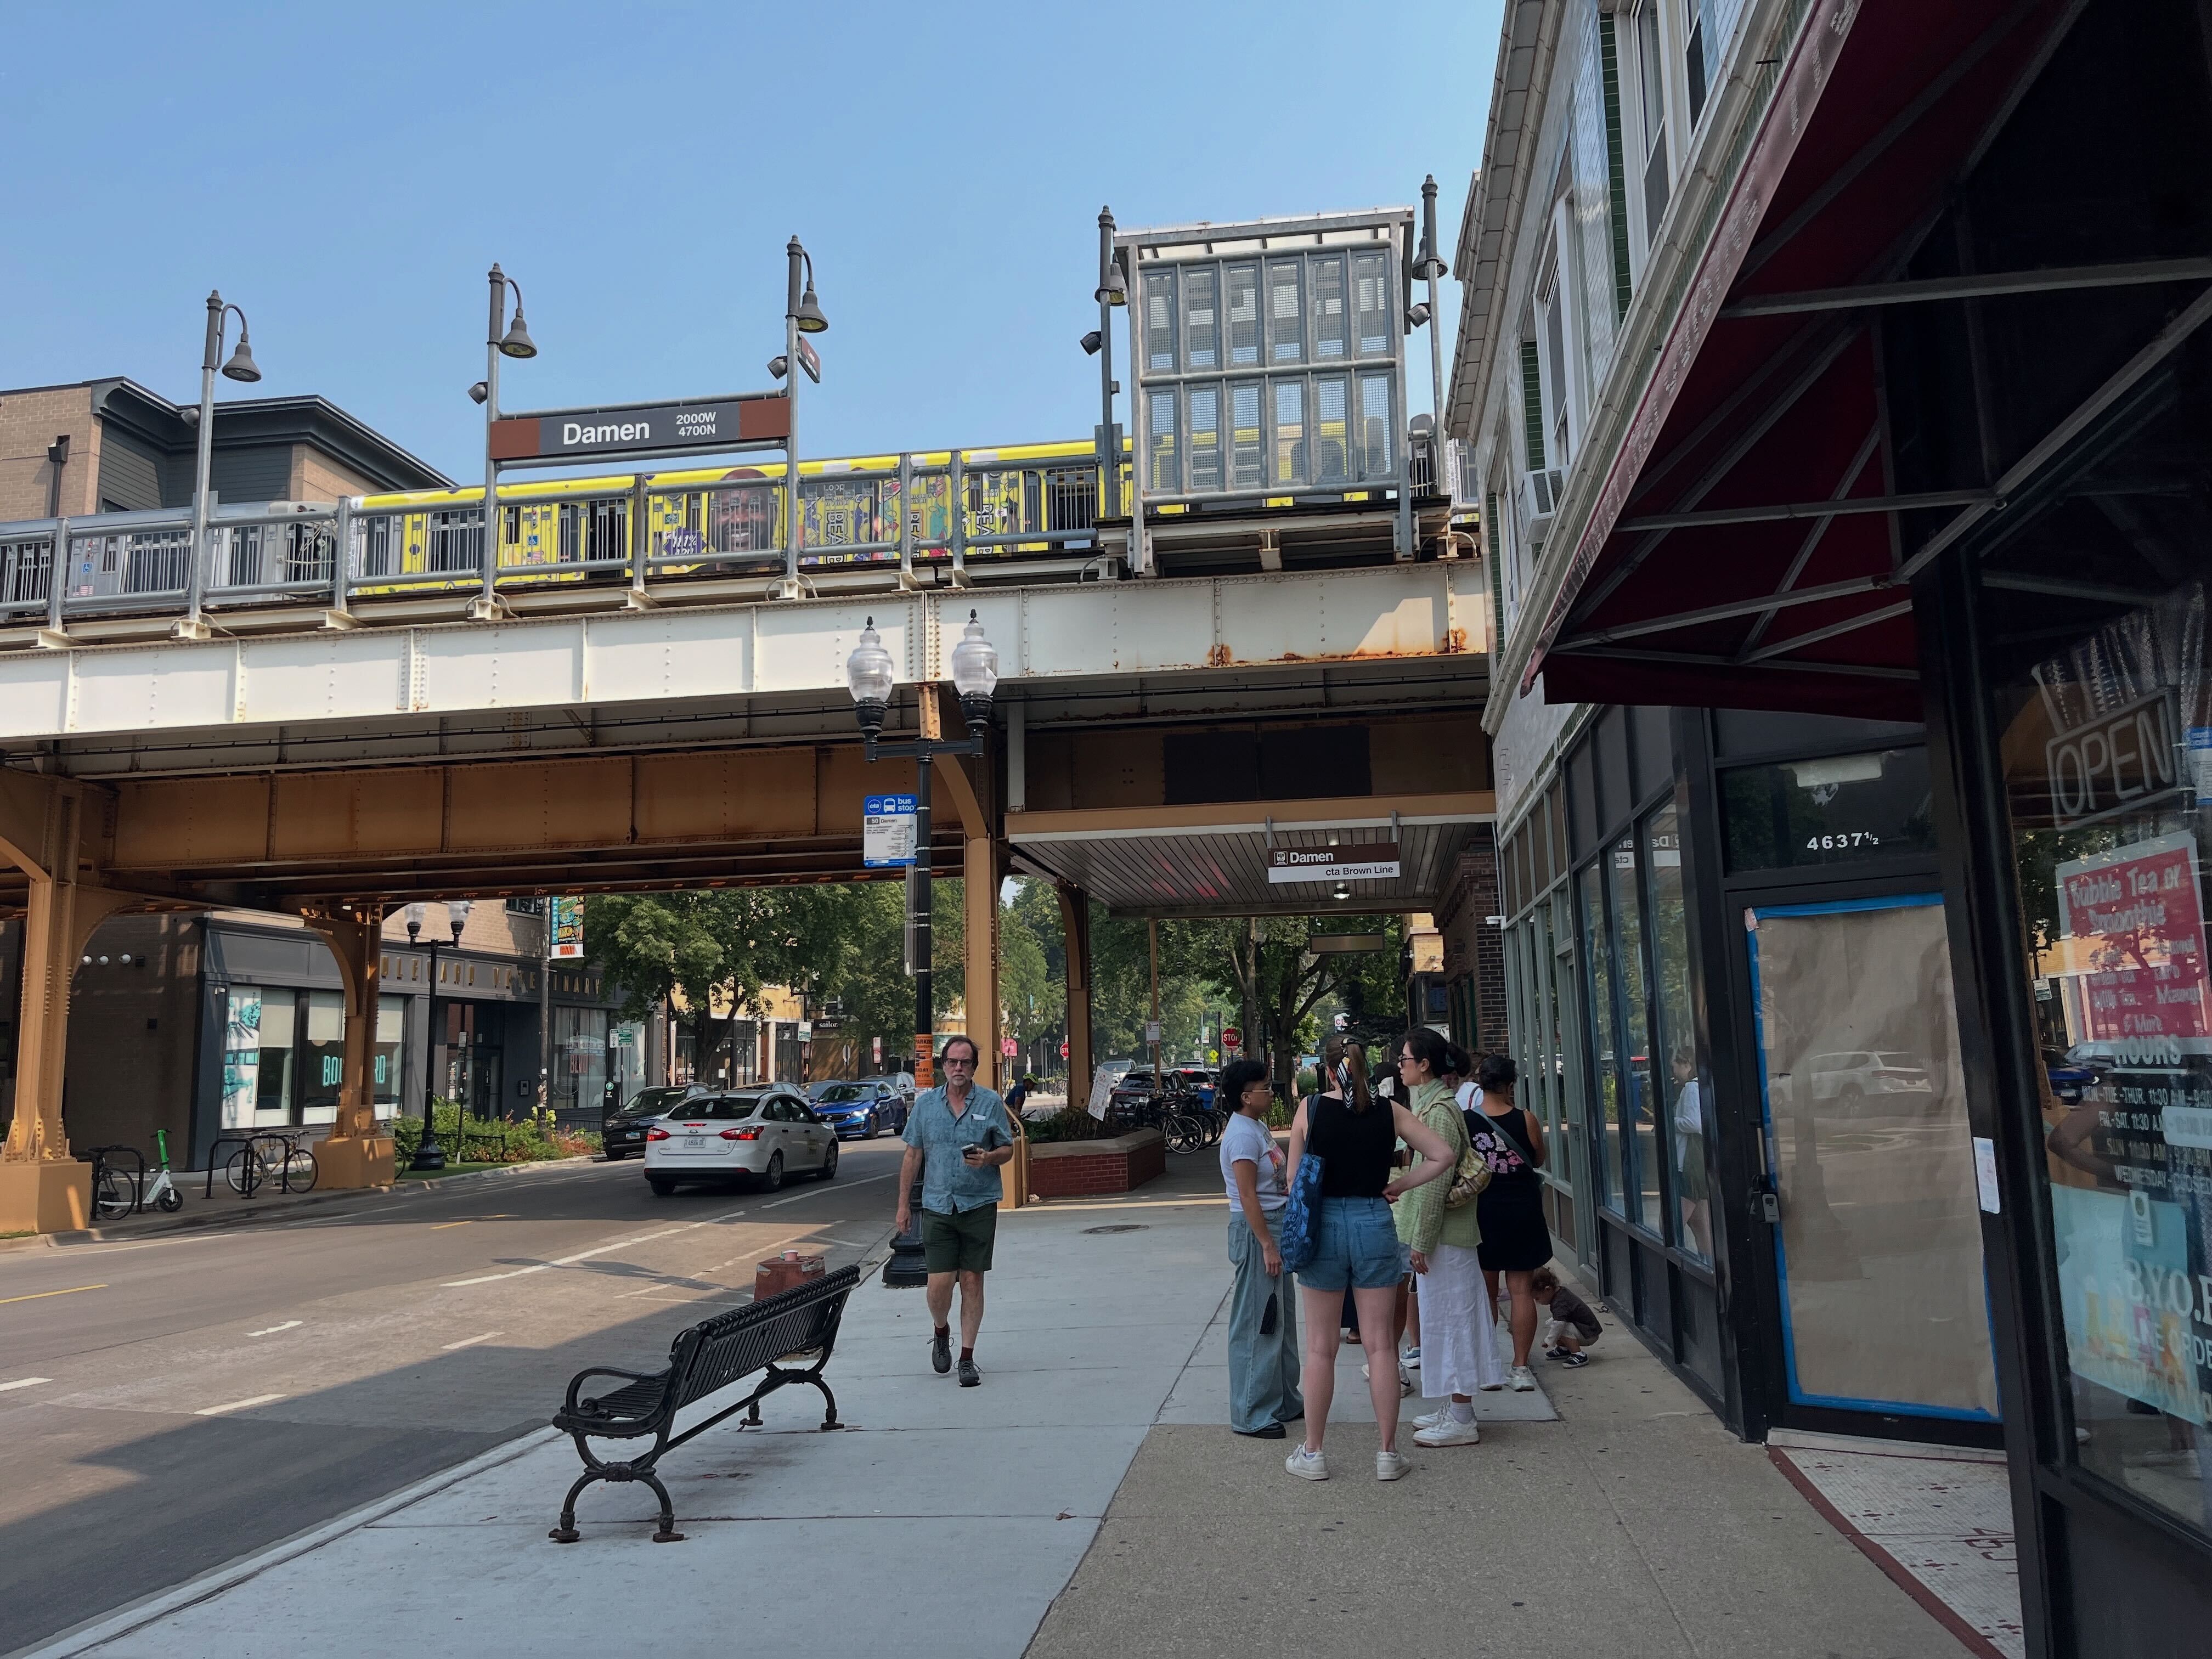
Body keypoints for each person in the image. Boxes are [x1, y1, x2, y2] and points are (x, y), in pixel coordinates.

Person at [1285, 1035, 1454, 1483]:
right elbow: (1444, 1154)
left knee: (1320, 1347)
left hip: (1323, 1226)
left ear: (1328, 1069)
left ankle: (1314, 1452)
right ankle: (1387, 1453)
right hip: (1375, 1221)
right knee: (1382, 1345)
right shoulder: (1390, 1111)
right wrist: (1401, 1185)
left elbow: (1292, 1180)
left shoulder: (1311, 1110)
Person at [894, 1036, 1014, 1387]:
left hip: (978, 1203)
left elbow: (1007, 1148)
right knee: (939, 1286)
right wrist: (903, 1206)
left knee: (974, 1280)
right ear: (943, 1065)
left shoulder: (991, 1103)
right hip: (937, 1205)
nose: (958, 1068)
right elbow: (912, 1155)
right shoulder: (926, 1106)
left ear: (973, 1067)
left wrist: (990, 1158)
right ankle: (941, 1328)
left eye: (965, 1062)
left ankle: (967, 1357)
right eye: (952, 1062)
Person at [1393, 1028, 1489, 1448]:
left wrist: (1421, 1242)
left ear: (1425, 1065)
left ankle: (1463, 1415)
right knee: (1445, 1320)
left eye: (1405, 1059)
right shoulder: (1434, 1107)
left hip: (1446, 1238)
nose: (1400, 1065)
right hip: (1445, 1236)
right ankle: (1455, 1406)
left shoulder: (1438, 1113)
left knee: (1453, 1321)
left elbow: (1435, 1186)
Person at [1218, 1057, 1302, 1438]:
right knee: (1259, 1322)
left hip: (1274, 1226)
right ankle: (1251, 1412)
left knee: (1280, 1318)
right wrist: (1267, 1245)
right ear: (1245, 1096)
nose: (1271, 1092)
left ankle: (1284, 1399)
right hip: (1259, 1231)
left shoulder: (1257, 1127)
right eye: (1265, 1088)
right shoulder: (1241, 1135)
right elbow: (1248, 1196)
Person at [1469, 1053, 1549, 1389]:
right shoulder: (1525, 1118)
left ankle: (1488, 1367)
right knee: (1520, 1291)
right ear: (1511, 1084)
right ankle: (1520, 1368)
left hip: (1482, 1213)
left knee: (1485, 1292)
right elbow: (1538, 1157)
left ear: (1480, 1083)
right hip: (1522, 1211)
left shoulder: (1466, 1120)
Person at [1671, 1046, 1712, 1260]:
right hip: (1696, 1164)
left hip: (1688, 1166)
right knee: (1700, 1223)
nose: (1674, 1071)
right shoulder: (1699, 1087)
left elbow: (1694, 1123)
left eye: (1675, 1066)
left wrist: (1669, 1123)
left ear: (1686, 1065)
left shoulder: (1690, 1089)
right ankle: (1707, 1263)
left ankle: (1685, 1264)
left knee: (1669, 1224)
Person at [1532, 1265, 1601, 1365]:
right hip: (1588, 1330)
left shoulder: (1560, 1302)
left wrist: (1549, 1341)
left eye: (1537, 1298)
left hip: (1589, 1334)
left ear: (1548, 1290)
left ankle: (1579, 1355)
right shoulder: (1561, 1293)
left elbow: (1559, 1324)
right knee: (1557, 1324)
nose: (1537, 1302)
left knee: (1560, 1327)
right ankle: (1564, 1349)